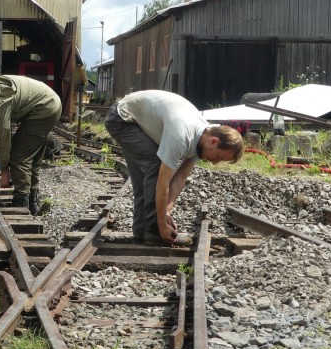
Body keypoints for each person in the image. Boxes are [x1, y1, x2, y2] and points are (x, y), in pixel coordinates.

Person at [104, 89, 244, 246]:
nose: (215, 162)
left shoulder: (201, 139)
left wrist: (167, 210)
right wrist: (162, 223)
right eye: (219, 157)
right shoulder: (181, 135)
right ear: (213, 141)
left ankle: (141, 233)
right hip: (123, 119)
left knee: (143, 183)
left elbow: (181, 177)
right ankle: (154, 230)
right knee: (155, 166)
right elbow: (162, 181)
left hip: (134, 120)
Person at [0, 73, 62, 214]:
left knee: (18, 155)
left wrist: (4, 173)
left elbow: (4, 140)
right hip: (46, 102)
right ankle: (33, 203)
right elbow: (1, 124)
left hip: (44, 108)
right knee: (31, 155)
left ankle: (21, 204)